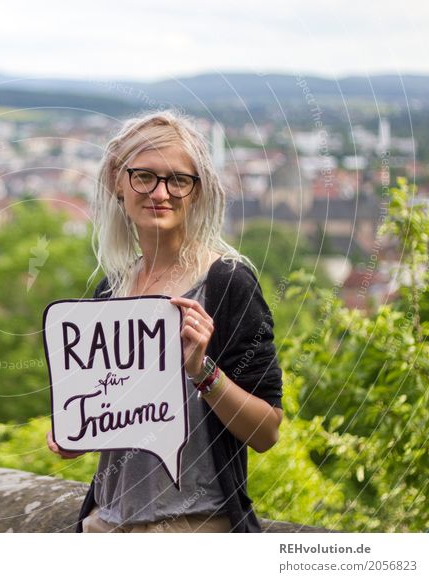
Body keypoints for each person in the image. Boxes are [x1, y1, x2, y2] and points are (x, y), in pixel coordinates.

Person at [45, 109, 284, 533]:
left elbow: (266, 432)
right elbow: (121, 415)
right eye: (144, 176)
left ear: (197, 191)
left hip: (193, 528)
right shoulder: (111, 291)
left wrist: (202, 371)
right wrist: (77, 431)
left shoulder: (227, 283)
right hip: (106, 523)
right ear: (118, 182)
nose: (161, 192)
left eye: (178, 179)